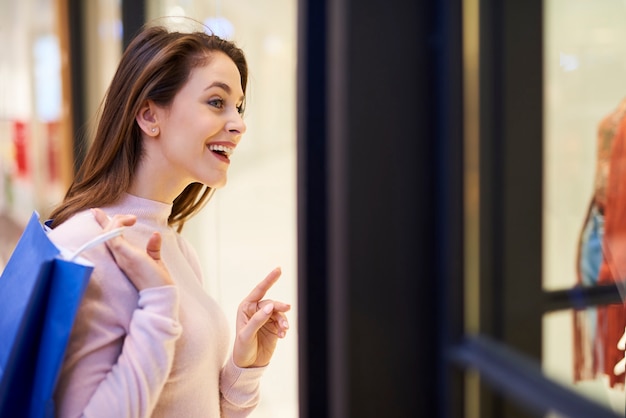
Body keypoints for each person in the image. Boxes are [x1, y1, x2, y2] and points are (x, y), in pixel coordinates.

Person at [45, 22, 290, 417]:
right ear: (148, 115)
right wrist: (158, 304)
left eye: (239, 107)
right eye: (216, 102)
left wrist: (244, 367)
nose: (239, 124)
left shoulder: (174, 245)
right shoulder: (86, 246)